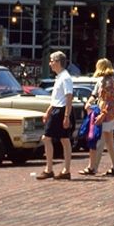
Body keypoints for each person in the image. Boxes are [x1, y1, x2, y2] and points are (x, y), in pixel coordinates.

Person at [79, 58, 114, 176]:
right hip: (110, 115)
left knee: (93, 139)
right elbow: (101, 97)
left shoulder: (105, 82)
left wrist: (102, 113)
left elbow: (106, 100)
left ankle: (92, 167)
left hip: (104, 114)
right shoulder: (113, 81)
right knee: (109, 141)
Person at [36, 51, 75, 180]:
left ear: (58, 62)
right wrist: (48, 111)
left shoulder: (65, 77)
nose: (50, 63)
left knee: (48, 138)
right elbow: (56, 98)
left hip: (62, 111)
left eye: (52, 61)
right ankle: (62, 170)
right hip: (56, 109)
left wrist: (66, 116)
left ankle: (52, 169)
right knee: (62, 139)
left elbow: (69, 97)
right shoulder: (59, 77)